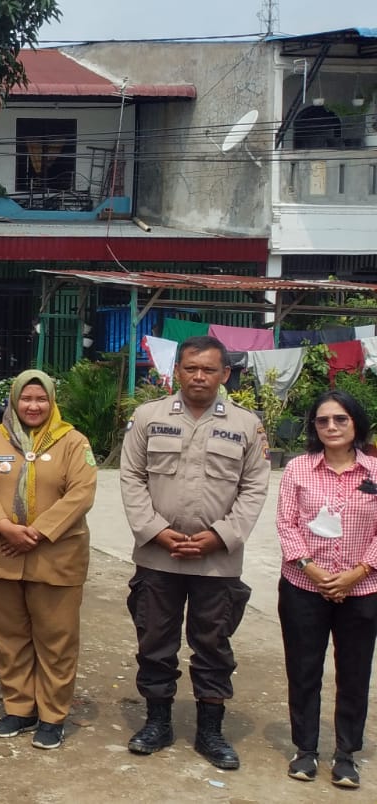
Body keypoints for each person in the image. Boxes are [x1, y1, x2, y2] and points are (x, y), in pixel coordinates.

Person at [121, 335, 268, 770]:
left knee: (214, 645)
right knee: (154, 641)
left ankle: (210, 732)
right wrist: (156, 532)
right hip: (157, 557)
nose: (199, 376)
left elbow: (255, 487)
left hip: (217, 561)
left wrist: (221, 536)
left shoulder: (246, 425)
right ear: (177, 371)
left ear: (225, 374)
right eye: (191, 368)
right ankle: (157, 723)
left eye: (208, 369)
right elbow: (131, 478)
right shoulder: (148, 417)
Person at [0, 370, 96, 750]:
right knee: (10, 636)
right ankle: (20, 708)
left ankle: (52, 715)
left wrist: (36, 533)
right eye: (26, 398)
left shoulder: (73, 442)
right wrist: (5, 527)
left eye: (41, 399)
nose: (33, 406)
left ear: (51, 402)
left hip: (56, 555)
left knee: (57, 639)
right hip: (3, 553)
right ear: (14, 400)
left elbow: (82, 493)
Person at [274, 390, 377, 788]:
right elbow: (286, 524)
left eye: (340, 419)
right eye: (323, 420)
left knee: (354, 673)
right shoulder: (298, 469)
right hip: (303, 586)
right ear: (314, 427)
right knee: (303, 669)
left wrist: (357, 573)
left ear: (356, 423)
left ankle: (346, 754)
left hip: (363, 590)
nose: (331, 427)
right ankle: (305, 749)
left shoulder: (374, 471)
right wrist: (312, 570)